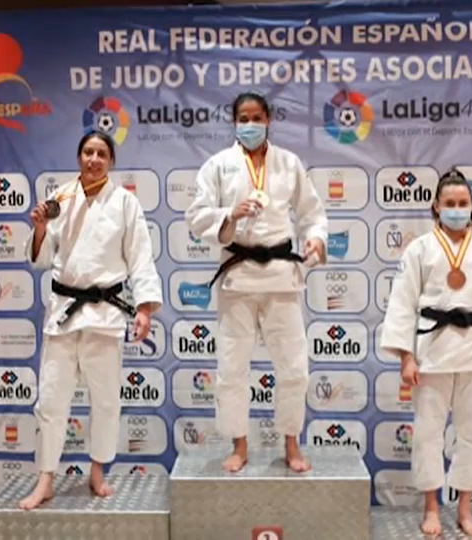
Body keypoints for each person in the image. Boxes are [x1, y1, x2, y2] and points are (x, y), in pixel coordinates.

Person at [380, 168, 472, 537]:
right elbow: (402, 305)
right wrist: (406, 357)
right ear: (436, 205)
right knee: (428, 434)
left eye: (463, 203)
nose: (457, 209)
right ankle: (431, 507)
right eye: (450, 203)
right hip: (432, 352)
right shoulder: (420, 249)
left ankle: (465, 509)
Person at [19, 131, 163, 510]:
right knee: (51, 400)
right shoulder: (60, 199)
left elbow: (141, 258)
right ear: (79, 157)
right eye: (88, 152)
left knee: (106, 401)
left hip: (104, 314)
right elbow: (41, 258)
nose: (94, 159)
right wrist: (39, 228)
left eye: (101, 153)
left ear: (111, 161)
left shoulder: (125, 203)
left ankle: (97, 472)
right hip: (64, 313)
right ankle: (45, 479)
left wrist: (145, 308)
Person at [185, 91, 327, 474]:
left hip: (281, 275)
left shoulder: (288, 163)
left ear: (268, 120)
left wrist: (316, 238)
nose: (250, 124)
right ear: (234, 122)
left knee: (294, 367)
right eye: (243, 118)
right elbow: (196, 215)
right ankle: (239, 444)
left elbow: (312, 212)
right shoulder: (218, 165)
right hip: (239, 277)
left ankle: (291, 443)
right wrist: (229, 214)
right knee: (232, 367)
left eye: (256, 118)